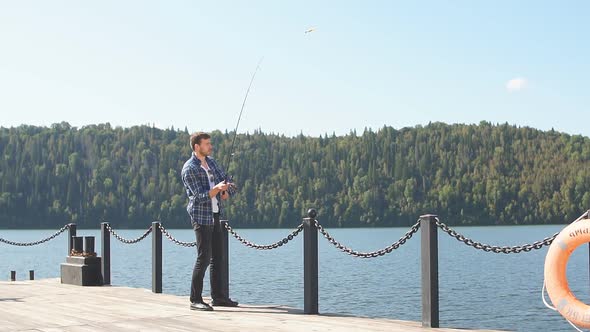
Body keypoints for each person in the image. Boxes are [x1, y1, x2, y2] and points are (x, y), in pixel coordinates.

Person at [181, 131, 238, 311]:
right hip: (201, 216)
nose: (210, 146)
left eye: (210, 143)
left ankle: (219, 297)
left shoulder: (211, 162)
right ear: (197, 147)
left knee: (218, 257)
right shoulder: (189, 169)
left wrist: (227, 191)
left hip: (215, 214)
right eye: (206, 144)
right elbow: (198, 196)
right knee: (203, 258)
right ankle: (195, 299)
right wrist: (216, 189)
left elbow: (228, 182)